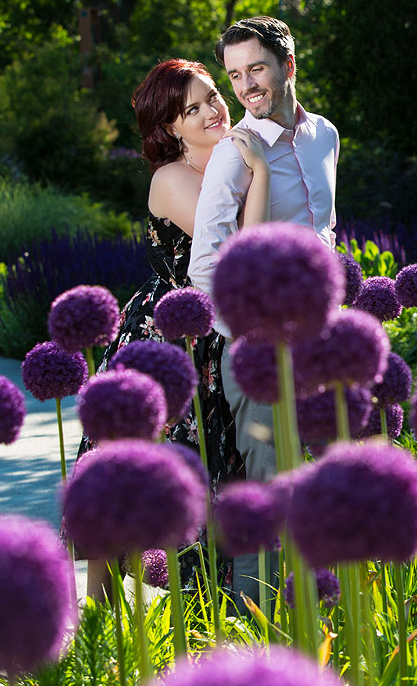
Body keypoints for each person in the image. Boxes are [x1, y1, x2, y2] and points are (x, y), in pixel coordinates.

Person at [78, 58, 273, 598]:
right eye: (193, 108)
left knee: (213, 475)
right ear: (170, 128)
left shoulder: (236, 159)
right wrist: (260, 175)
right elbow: (237, 254)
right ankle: (97, 617)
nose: (213, 110)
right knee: (139, 469)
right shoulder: (171, 178)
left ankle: (207, 620)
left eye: (212, 95)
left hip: (221, 338)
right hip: (169, 337)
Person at [188, 16, 340, 604]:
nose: (246, 85)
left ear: (288, 67)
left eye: (256, 68)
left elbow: (325, 230)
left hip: (321, 343)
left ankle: (326, 626)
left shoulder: (325, 135)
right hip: (257, 351)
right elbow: (205, 268)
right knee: (268, 493)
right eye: (234, 75)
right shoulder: (235, 156)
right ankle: (257, 632)